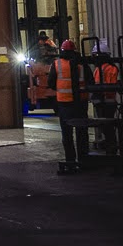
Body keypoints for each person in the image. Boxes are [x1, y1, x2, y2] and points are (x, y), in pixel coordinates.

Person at [55, 37, 89, 173]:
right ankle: (83, 159)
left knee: (67, 134)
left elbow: (51, 82)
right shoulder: (82, 64)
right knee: (82, 132)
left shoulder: (57, 64)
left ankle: (70, 160)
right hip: (81, 103)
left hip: (64, 103)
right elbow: (90, 80)